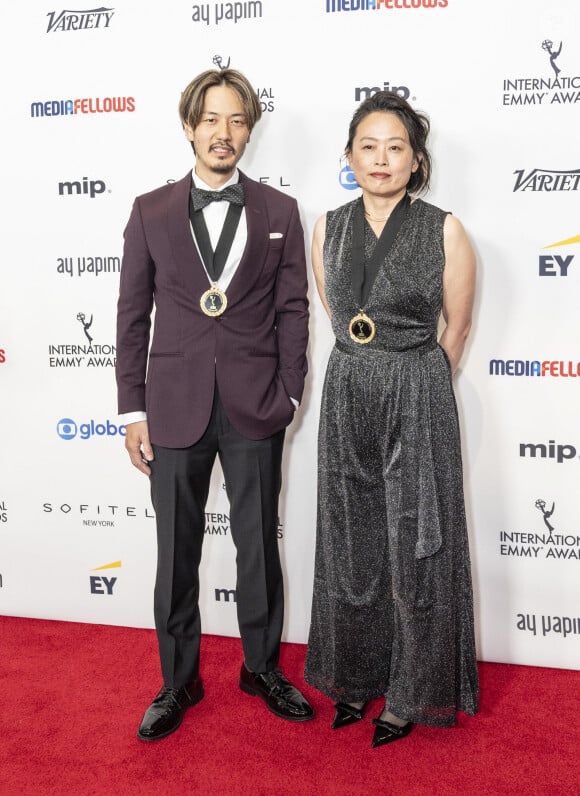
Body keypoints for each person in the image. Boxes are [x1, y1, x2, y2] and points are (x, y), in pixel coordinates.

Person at [116, 68, 312, 741]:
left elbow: (293, 309)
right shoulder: (150, 211)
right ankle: (178, 680)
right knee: (176, 553)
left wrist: (289, 391)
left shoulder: (280, 213)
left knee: (259, 545)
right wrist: (130, 409)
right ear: (190, 125)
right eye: (210, 119)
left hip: (256, 404)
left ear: (250, 129)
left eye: (236, 120)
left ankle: (261, 668)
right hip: (172, 407)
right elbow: (130, 314)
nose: (222, 133)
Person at [304, 91, 479, 748]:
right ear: (350, 156)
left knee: (416, 546)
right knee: (351, 542)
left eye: (396, 147)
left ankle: (412, 689)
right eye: (368, 146)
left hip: (417, 393)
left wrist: (419, 386)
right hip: (349, 387)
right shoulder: (328, 226)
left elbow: (456, 330)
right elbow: (341, 316)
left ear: (415, 160)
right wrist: (371, 367)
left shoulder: (444, 229)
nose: (381, 159)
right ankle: (354, 678)